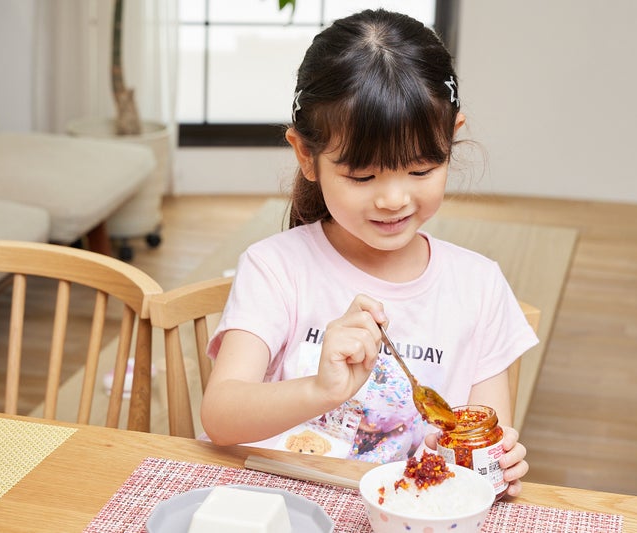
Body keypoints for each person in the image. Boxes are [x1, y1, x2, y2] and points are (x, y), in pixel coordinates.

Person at [200, 8, 537, 496]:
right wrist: (321, 390)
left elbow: (480, 442)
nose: (393, 199)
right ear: (306, 155)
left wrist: (497, 467)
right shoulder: (276, 268)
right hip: (278, 509)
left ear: (452, 137)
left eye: (421, 171)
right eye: (362, 177)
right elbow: (221, 416)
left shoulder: (478, 288)